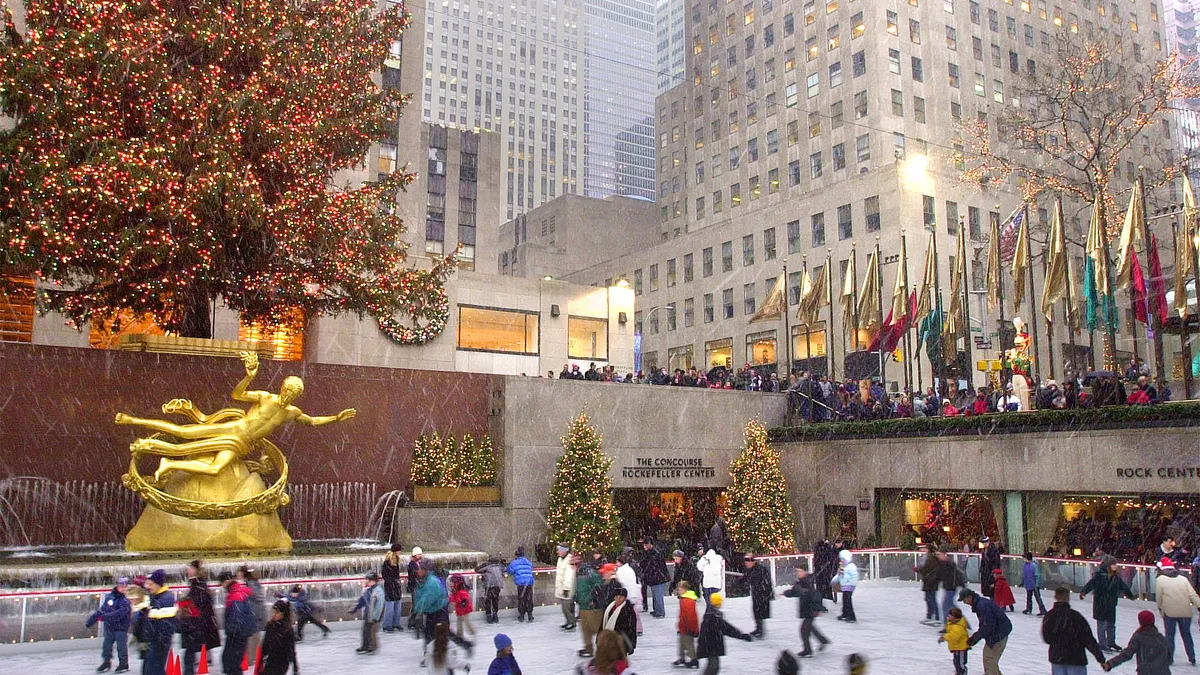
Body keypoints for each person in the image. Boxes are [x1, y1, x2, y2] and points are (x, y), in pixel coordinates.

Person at [1042, 586, 1105, 675]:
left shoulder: (1049, 616)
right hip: (1076, 658)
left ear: (1055, 597)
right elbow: (1088, 639)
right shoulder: (1076, 616)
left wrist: (1058, 643)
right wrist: (1100, 658)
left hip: (1057, 658)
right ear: (1068, 598)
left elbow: (1047, 638)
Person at [1081, 555, 1136, 653]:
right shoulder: (1099, 576)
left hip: (1111, 603)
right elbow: (1091, 584)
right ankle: (1102, 644)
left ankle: (1111, 642)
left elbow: (1123, 587)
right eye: (1113, 564)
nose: (1115, 566)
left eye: (1115, 564)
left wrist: (1130, 595)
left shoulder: (1116, 577)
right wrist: (1083, 592)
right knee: (1101, 624)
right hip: (1100, 604)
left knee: (1111, 624)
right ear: (1107, 565)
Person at [1155, 556, 1200, 666]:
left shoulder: (1160, 580)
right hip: (1185, 612)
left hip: (1169, 612)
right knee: (1186, 634)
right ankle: (1192, 657)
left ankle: (1169, 658)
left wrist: (1161, 609)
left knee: (1170, 635)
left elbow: (1159, 598)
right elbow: (1192, 594)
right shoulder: (1183, 579)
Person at [178, 561, 220, 675]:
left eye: (190, 568)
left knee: (190, 654)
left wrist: (185, 603)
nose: (187, 571)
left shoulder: (198, 585)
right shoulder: (198, 584)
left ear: (196, 570)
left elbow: (199, 603)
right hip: (197, 623)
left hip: (196, 623)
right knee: (190, 654)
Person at [696, 593, 754, 675]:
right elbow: (727, 629)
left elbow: (726, 628)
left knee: (713, 666)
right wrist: (741, 635)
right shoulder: (713, 617)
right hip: (711, 647)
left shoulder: (713, 616)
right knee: (713, 667)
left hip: (710, 647)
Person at [960, 588, 1013, 675]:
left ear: (970, 597)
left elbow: (988, 625)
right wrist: (976, 637)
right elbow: (985, 624)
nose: (964, 603)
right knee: (989, 659)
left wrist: (976, 637)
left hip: (999, 634)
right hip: (997, 632)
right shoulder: (979, 604)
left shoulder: (982, 605)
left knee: (989, 659)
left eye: (964, 600)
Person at [87, 576, 132, 674]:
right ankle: (106, 662)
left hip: (121, 628)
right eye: (121, 586)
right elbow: (102, 609)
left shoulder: (126, 601)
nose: (123, 588)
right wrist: (92, 620)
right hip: (110, 627)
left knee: (121, 646)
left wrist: (104, 617)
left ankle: (123, 664)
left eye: (125, 586)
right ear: (117, 586)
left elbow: (119, 614)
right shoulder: (110, 597)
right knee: (107, 645)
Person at [1102, 611, 1172, 674]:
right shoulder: (1161, 638)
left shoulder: (1139, 637)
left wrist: (1110, 664)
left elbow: (1127, 654)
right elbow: (1168, 657)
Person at [783, 567, 829, 658]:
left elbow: (799, 591)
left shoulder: (806, 581)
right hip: (807, 608)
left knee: (804, 630)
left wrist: (787, 593)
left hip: (810, 608)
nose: (798, 573)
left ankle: (808, 650)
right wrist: (787, 593)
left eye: (800, 571)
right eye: (797, 571)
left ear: (805, 572)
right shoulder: (803, 581)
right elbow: (796, 591)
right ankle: (822, 640)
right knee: (809, 627)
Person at [219, 570, 257, 674]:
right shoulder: (236, 591)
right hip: (238, 632)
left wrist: (232, 631)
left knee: (233, 662)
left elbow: (237, 616)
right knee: (231, 661)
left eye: (222, 583)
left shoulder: (236, 594)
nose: (222, 586)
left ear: (226, 582)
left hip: (237, 632)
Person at [141, 569, 177, 675]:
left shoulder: (166, 599)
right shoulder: (153, 597)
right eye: (147, 583)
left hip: (159, 644)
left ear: (158, 584)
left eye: (150, 584)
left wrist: (159, 642)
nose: (148, 586)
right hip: (152, 642)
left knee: (155, 670)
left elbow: (167, 625)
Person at [237, 566, 267, 671]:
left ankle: (251, 658)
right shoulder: (251, 584)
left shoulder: (251, 585)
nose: (238, 575)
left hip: (254, 614)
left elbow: (258, 599)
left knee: (252, 637)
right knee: (254, 636)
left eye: (239, 572)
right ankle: (254, 658)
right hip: (255, 614)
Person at [259, 599, 299, 675]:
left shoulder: (287, 630)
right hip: (270, 661)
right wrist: (260, 661)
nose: (274, 614)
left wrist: (295, 669)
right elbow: (265, 645)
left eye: (276, 612)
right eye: (273, 612)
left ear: (283, 614)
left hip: (281, 663)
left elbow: (291, 650)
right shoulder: (270, 626)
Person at [576, 557, 605, 657]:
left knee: (595, 629)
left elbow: (598, 588)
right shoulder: (582, 575)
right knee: (586, 630)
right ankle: (589, 648)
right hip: (585, 607)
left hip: (591, 608)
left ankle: (602, 649)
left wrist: (592, 599)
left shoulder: (590, 575)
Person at [350, 571, 385, 654]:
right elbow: (361, 601)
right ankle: (365, 646)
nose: (365, 581)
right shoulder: (366, 590)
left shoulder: (378, 591)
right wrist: (354, 608)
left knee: (372, 632)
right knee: (365, 631)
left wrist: (376, 617)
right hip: (367, 614)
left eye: (366, 579)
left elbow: (380, 605)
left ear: (371, 580)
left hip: (374, 616)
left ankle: (373, 647)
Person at [743, 554, 774, 637]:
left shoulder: (760, 569)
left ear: (752, 562)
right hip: (756, 593)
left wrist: (767, 592)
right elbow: (746, 578)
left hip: (762, 593)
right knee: (756, 611)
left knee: (759, 612)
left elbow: (766, 581)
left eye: (747, 562)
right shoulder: (752, 569)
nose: (746, 564)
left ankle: (760, 630)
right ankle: (758, 628)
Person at [602, 586, 639, 655]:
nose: (618, 599)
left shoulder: (628, 610)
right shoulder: (609, 608)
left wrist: (630, 643)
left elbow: (631, 627)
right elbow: (603, 623)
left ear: (625, 598)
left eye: (621, 597)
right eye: (616, 597)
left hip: (621, 639)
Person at [640, 539, 671, 619]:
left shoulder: (654, 554)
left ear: (650, 544)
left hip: (657, 578)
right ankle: (657, 610)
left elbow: (651, 566)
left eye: (645, 545)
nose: (644, 547)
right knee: (655, 594)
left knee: (658, 595)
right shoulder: (650, 553)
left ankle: (660, 611)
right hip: (654, 578)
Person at [674, 581, 701, 668]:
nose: (678, 591)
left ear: (685, 589)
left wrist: (692, 629)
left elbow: (691, 616)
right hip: (683, 626)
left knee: (688, 643)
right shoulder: (684, 599)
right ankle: (682, 658)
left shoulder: (687, 600)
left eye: (680, 589)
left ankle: (694, 659)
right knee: (682, 642)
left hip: (687, 627)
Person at [938, 606, 971, 675]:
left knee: (960, 663)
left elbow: (954, 636)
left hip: (961, 648)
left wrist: (944, 637)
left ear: (955, 617)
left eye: (950, 615)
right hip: (956, 647)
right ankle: (959, 672)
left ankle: (962, 672)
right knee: (956, 662)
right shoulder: (952, 623)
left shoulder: (958, 626)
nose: (948, 616)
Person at [506, 546, 535, 622]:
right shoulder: (528, 561)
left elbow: (509, 570)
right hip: (529, 582)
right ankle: (530, 615)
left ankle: (521, 615)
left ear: (516, 555)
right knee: (529, 598)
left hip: (521, 583)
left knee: (521, 598)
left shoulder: (515, 562)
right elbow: (531, 567)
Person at [917, 546, 943, 625]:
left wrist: (918, 569)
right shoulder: (930, 558)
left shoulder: (931, 559)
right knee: (929, 598)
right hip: (930, 581)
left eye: (925, 548)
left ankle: (936, 617)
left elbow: (926, 569)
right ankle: (930, 615)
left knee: (931, 599)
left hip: (931, 581)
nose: (923, 550)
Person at [475, 554, 505, 624]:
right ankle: (495, 614)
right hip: (497, 585)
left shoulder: (487, 566)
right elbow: (505, 569)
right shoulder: (500, 566)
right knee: (495, 600)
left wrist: (483, 565)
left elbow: (477, 570)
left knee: (487, 600)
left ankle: (489, 616)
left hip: (489, 585)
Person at [381, 544, 404, 632]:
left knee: (397, 605)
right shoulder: (387, 562)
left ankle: (396, 623)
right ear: (396, 551)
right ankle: (387, 625)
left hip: (396, 586)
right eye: (399, 550)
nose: (400, 552)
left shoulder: (396, 560)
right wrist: (393, 582)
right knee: (390, 606)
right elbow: (385, 575)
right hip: (390, 587)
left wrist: (397, 582)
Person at [555, 544, 578, 630]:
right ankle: (568, 621)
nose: (558, 552)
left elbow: (569, 575)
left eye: (559, 550)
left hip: (567, 588)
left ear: (564, 551)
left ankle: (572, 622)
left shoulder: (570, 560)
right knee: (564, 607)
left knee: (568, 607)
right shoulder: (560, 559)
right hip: (561, 587)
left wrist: (566, 588)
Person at [833, 549, 859, 622]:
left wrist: (851, 583)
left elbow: (854, 576)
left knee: (847, 600)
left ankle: (851, 616)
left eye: (843, 559)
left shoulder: (851, 566)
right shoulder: (843, 566)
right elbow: (839, 575)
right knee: (845, 600)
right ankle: (845, 613)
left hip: (849, 586)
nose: (842, 561)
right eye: (841, 559)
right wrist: (834, 580)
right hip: (844, 586)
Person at [449, 573, 476, 640]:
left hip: (465, 609)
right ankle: (459, 634)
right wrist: (450, 599)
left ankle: (472, 631)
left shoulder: (462, 590)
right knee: (459, 621)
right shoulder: (455, 589)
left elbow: (465, 598)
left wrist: (463, 602)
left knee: (466, 621)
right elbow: (454, 597)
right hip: (459, 609)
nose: (451, 584)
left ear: (457, 582)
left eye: (452, 582)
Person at [1022, 551, 1049, 616]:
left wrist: (1037, 584)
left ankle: (1043, 610)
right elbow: (1024, 575)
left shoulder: (1033, 565)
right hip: (1028, 584)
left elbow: (1037, 575)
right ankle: (1028, 608)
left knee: (1038, 597)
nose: (1023, 559)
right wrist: (1022, 582)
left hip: (1034, 584)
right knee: (1028, 597)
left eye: (1024, 557)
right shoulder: (1025, 565)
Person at [408, 547, 426, 633]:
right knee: (416, 605)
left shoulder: (421, 563)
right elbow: (414, 575)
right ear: (415, 555)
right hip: (415, 586)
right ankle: (413, 622)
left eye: (420, 554)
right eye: (419, 554)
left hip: (421, 587)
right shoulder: (412, 564)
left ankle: (417, 622)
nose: (420, 556)